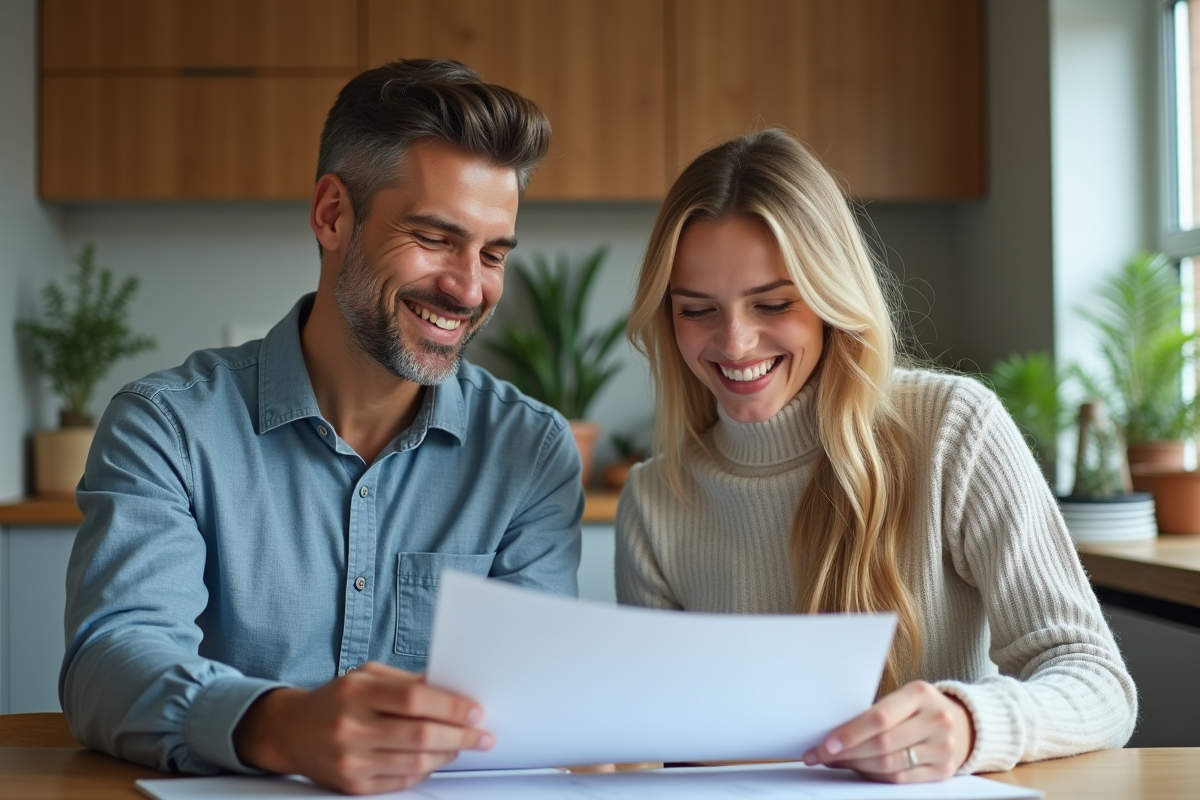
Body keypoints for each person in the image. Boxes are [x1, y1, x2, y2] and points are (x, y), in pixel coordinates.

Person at [60, 59, 584, 795]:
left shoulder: (529, 452)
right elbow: (108, 662)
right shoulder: (168, 426)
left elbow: (541, 699)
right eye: (436, 238)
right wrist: (281, 725)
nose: (470, 287)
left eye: (493, 253)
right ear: (333, 214)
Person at [615, 128, 1136, 782]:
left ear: (832, 297)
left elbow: (1099, 683)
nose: (736, 342)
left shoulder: (950, 427)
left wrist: (970, 722)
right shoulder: (655, 498)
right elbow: (660, 743)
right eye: (697, 311)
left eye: (773, 303)